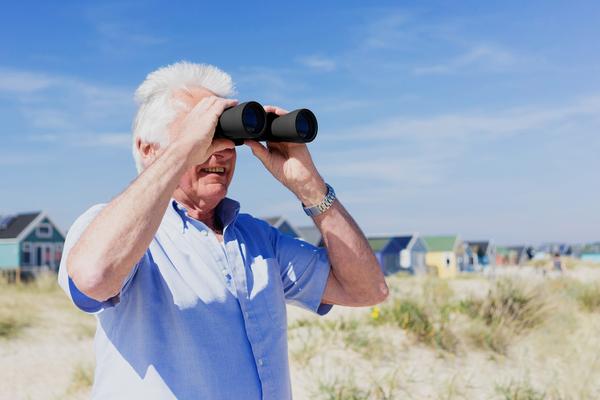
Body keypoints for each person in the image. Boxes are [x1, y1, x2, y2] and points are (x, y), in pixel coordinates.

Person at [58, 61, 388, 400]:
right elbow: (94, 278)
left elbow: (368, 290)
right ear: (148, 149)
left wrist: (311, 188)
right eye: (206, 133)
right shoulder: (109, 230)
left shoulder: (259, 240)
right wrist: (183, 151)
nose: (223, 149)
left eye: (228, 136)